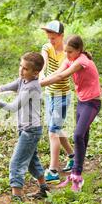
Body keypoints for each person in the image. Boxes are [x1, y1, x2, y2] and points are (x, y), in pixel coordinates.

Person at [0, 52, 50, 204]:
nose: (21, 70)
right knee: (32, 160)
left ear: (35, 73)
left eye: (25, 69)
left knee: (16, 163)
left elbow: (13, 107)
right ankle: (44, 188)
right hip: (26, 129)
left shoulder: (31, 87)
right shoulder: (23, 80)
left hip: (30, 131)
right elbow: (8, 87)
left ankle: (16, 201)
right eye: (21, 66)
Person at [40, 35, 102, 192]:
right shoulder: (70, 59)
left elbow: (62, 76)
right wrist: (37, 80)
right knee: (83, 136)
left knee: (78, 135)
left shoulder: (82, 61)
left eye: (70, 52)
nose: (67, 55)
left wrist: (38, 84)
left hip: (92, 103)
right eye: (66, 51)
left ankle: (76, 175)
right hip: (82, 103)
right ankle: (77, 169)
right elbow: (56, 73)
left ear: (79, 50)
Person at [40, 20, 75, 184]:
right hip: (49, 94)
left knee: (53, 131)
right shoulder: (47, 48)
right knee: (56, 128)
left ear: (61, 36)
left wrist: (40, 82)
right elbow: (43, 62)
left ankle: (53, 169)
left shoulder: (67, 53)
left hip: (62, 95)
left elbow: (61, 75)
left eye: (53, 38)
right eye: (48, 37)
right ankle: (72, 156)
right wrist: (39, 75)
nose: (51, 41)